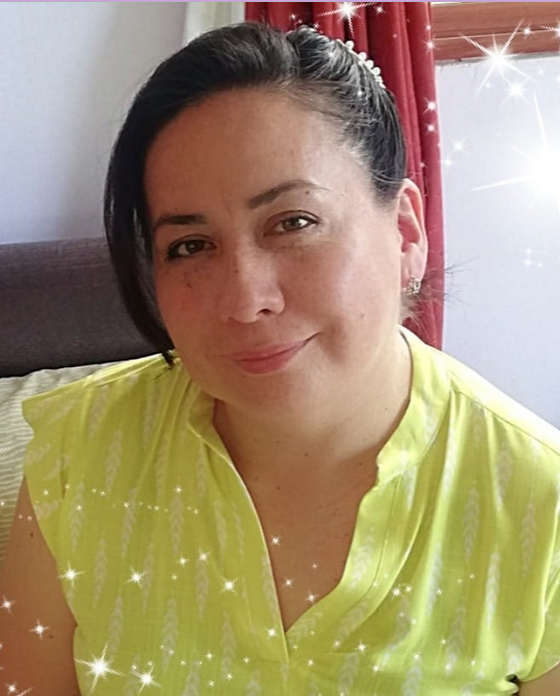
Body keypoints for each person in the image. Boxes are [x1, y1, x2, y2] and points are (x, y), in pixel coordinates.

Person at [1, 20, 559, 696]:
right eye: (191, 246)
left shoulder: (541, 508)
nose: (245, 300)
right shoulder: (78, 453)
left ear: (406, 232)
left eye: (294, 222)